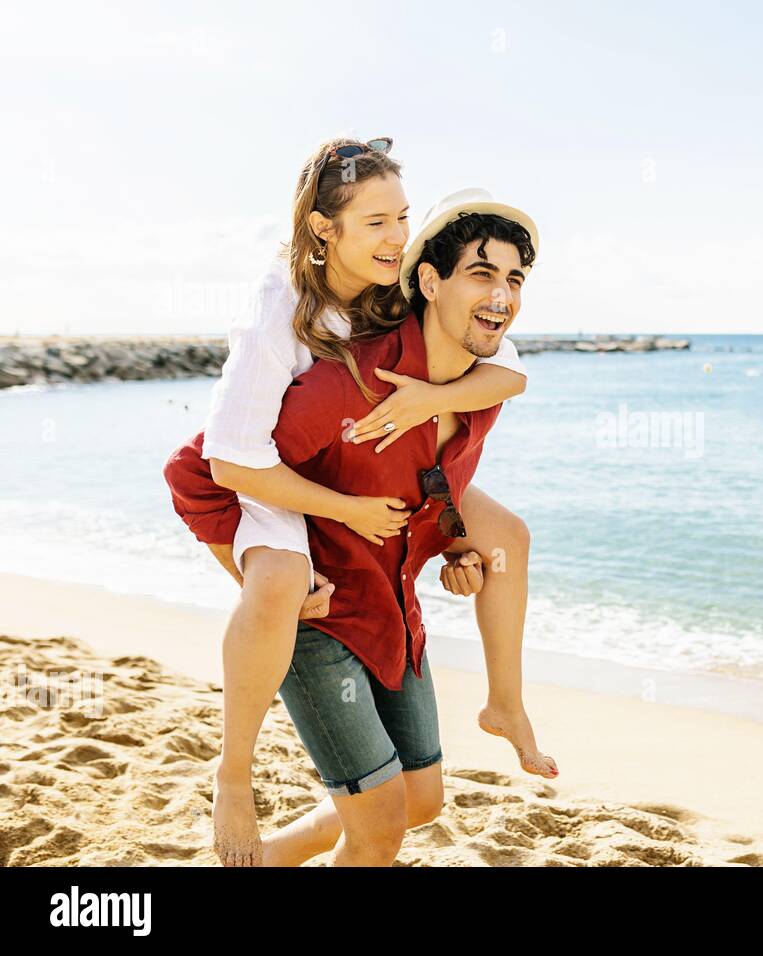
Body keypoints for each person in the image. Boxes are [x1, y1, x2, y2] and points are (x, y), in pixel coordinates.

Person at [179, 139, 554, 867]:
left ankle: (261, 861)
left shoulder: (474, 376)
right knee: (380, 824)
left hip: (392, 609)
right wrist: (254, 578)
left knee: (421, 802)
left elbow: (449, 456)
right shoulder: (328, 363)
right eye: (482, 272)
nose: (502, 293)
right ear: (431, 282)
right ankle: (233, 774)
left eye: (400, 219)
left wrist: (454, 544)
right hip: (322, 610)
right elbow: (205, 467)